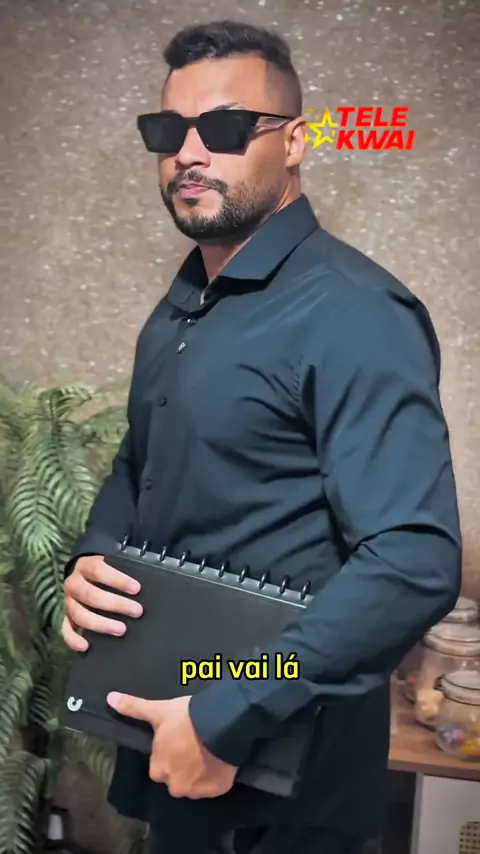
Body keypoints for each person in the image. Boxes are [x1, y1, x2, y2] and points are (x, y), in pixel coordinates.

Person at [62, 19, 462, 854]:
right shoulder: (182, 305)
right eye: (169, 131)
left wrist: (230, 706)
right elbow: (142, 463)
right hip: (173, 747)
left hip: (281, 783)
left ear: (295, 142)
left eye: (226, 126)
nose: (189, 152)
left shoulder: (357, 313)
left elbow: (412, 560)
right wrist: (96, 557)